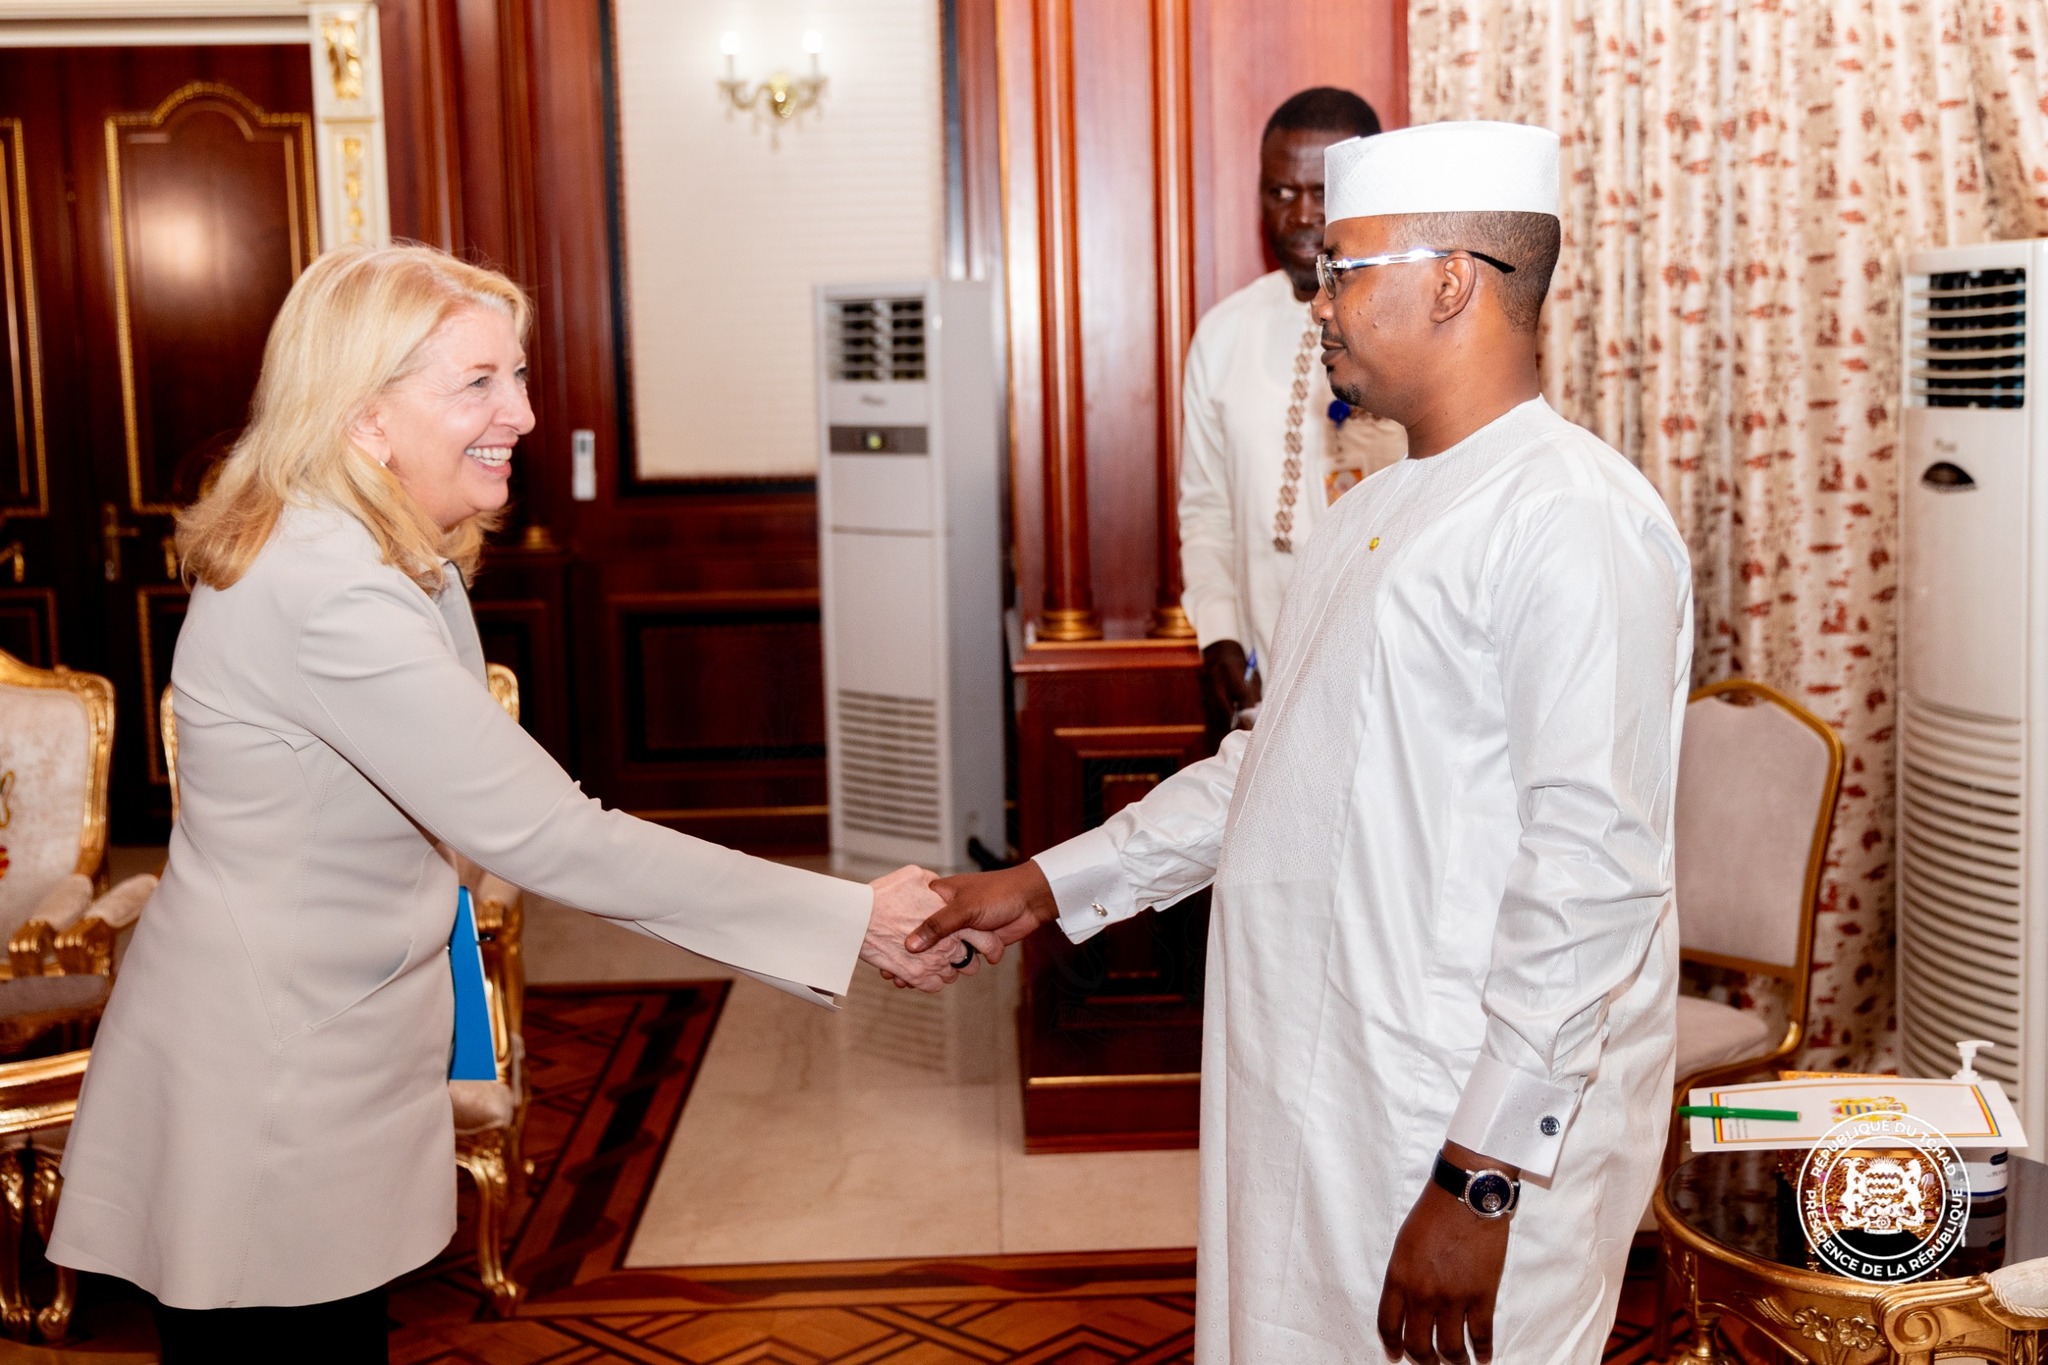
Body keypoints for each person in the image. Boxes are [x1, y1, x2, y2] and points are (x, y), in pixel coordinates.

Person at [44, 245, 992, 1362]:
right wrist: (851, 919)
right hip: (271, 1087)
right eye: (480, 383)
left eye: (520, 375)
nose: (527, 414)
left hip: (318, 1053)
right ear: (364, 417)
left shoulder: (376, 555)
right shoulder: (329, 592)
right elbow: (552, 836)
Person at [902, 122, 1691, 1363]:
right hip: (1313, 1086)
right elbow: (1268, 770)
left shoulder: (1572, 520)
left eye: (1345, 267)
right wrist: (1048, 883)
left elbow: (1592, 872)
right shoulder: (1367, 511)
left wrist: (1480, 1175)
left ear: (1449, 282)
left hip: (1452, 1117)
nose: (1316, 302)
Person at [1180, 87, 1406, 738]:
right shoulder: (1222, 335)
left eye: (1322, 192)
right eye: (1280, 192)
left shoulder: (1425, 331)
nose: (1301, 216)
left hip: (1393, 698)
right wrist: (1218, 633)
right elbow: (1205, 512)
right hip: (1265, 695)